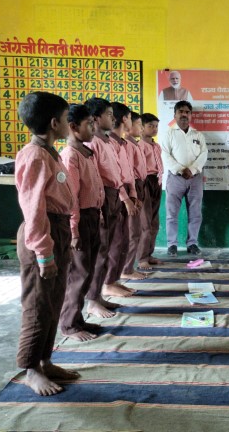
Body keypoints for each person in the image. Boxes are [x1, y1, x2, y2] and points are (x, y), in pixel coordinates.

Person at [14, 91, 79, 395]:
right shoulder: (35, 156)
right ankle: (30, 369)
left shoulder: (50, 153)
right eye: (66, 119)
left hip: (58, 229)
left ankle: (45, 360)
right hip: (43, 233)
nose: (68, 124)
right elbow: (34, 209)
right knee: (38, 305)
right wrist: (43, 253)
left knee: (54, 300)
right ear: (54, 123)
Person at [59, 104, 105, 342]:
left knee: (88, 270)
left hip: (92, 215)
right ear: (73, 127)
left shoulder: (86, 153)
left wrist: (99, 212)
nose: (93, 128)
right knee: (78, 273)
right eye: (89, 124)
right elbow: (72, 198)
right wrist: (74, 230)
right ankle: (69, 325)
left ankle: (78, 319)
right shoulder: (70, 156)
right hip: (81, 219)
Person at [84, 97, 135, 309]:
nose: (113, 119)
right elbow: (95, 178)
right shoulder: (92, 143)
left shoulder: (107, 142)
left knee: (113, 244)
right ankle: (93, 298)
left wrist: (125, 194)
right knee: (102, 248)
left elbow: (118, 173)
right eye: (108, 115)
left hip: (114, 194)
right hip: (103, 197)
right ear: (95, 118)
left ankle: (105, 287)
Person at [162, 100, 208, 257]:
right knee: (171, 214)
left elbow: (204, 154)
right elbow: (165, 155)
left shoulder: (198, 135)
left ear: (191, 115)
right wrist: (181, 170)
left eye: (187, 112)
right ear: (175, 115)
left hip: (195, 178)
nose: (184, 114)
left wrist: (192, 170)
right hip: (175, 178)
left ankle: (192, 243)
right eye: (180, 111)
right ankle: (172, 245)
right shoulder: (169, 134)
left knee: (195, 213)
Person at [120, 110, 147, 278]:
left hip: (137, 186)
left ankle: (128, 267)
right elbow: (129, 171)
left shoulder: (134, 144)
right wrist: (132, 194)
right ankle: (126, 269)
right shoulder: (127, 146)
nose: (141, 128)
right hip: (132, 186)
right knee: (132, 232)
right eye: (138, 124)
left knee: (135, 231)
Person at [136, 113, 164, 269]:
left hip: (156, 182)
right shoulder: (139, 146)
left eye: (156, 126)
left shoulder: (156, 146)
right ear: (141, 128)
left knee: (154, 223)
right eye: (150, 126)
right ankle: (141, 258)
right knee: (145, 223)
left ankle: (149, 254)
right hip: (145, 181)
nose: (154, 129)